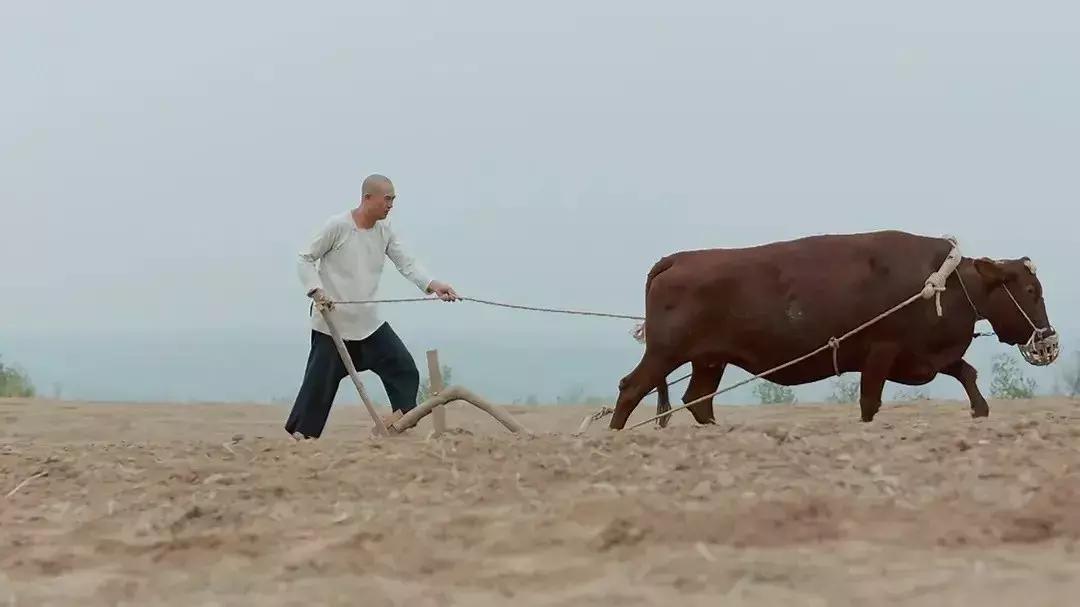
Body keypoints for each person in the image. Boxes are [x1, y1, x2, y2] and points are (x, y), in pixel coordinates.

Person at [285, 174, 459, 440]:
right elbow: (305, 258)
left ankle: (396, 424)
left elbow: (407, 263)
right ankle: (302, 439)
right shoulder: (338, 226)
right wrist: (317, 290)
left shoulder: (384, 231)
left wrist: (434, 285)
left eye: (393, 200)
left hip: (368, 324)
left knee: (404, 369)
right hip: (332, 326)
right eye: (387, 199)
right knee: (318, 387)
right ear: (368, 198)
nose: (391, 205)